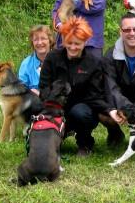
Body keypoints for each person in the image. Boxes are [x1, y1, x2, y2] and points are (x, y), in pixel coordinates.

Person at [39, 17, 115, 157]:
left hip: (82, 108)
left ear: (85, 42)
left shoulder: (94, 62)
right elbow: (43, 87)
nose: (73, 47)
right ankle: (53, 136)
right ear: (63, 41)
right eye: (69, 43)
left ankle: (85, 143)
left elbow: (95, 95)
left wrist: (109, 110)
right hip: (55, 108)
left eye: (77, 43)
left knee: (80, 112)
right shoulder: (52, 58)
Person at [18, 25, 53, 96]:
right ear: (32, 42)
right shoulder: (26, 64)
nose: (39, 43)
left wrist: (41, 95)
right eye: (36, 39)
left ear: (50, 40)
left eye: (43, 38)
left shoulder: (59, 60)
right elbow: (21, 90)